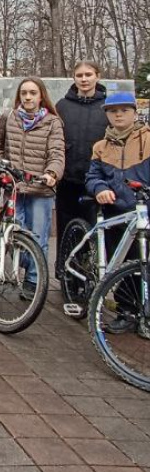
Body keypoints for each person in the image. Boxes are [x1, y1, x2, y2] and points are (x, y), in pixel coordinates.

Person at [85, 91, 149, 332]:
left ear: (134, 112)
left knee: (143, 261)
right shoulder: (101, 146)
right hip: (116, 211)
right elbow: (93, 176)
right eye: (113, 111)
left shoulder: (148, 140)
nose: (119, 115)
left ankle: (145, 310)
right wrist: (100, 188)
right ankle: (127, 310)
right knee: (125, 263)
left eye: (124, 110)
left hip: (144, 210)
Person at [0, 77, 65, 291]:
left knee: (38, 239)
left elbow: (57, 152)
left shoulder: (52, 122)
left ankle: (33, 282)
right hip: (15, 187)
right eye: (24, 92)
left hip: (40, 189)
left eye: (32, 93)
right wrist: (0, 168)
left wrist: (52, 173)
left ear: (41, 96)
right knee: (14, 237)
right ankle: (25, 264)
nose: (27, 97)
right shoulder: (9, 117)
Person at [55, 60, 108, 278]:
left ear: (97, 76)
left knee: (92, 228)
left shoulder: (106, 106)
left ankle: (88, 271)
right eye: (79, 75)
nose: (84, 79)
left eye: (88, 74)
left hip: (96, 179)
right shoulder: (62, 106)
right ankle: (64, 269)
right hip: (67, 178)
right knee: (65, 226)